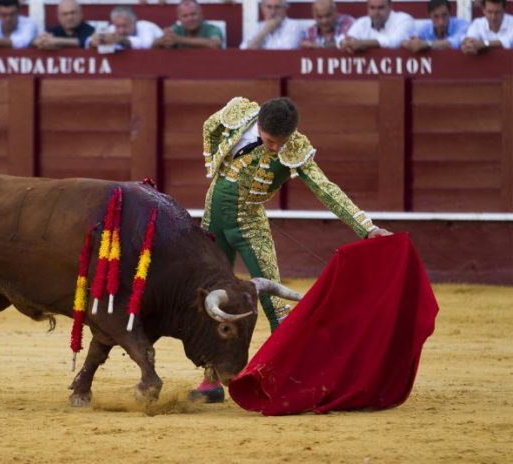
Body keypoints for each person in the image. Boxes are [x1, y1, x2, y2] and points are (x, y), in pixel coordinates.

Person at [190, 96, 391, 403]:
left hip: (249, 226)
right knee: (212, 300)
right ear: (259, 125)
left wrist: (367, 227)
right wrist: (211, 163)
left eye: (280, 143)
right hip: (211, 220)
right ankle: (212, 380)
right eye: (270, 141)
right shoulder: (239, 113)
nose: (275, 148)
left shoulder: (295, 148)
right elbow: (209, 126)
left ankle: (287, 377)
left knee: (275, 305)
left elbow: (325, 188)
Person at [340, 0, 414, 52]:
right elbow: (345, 39)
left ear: (390, 7)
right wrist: (345, 43)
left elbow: (395, 42)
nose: (376, 12)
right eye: (372, 8)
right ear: (367, 8)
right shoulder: (362, 22)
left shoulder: (404, 20)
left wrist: (363, 43)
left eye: (380, 8)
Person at [152, 0, 224, 49]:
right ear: (179, 19)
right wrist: (163, 40)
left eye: (193, 14)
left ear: (201, 14)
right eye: (185, 16)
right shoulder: (177, 29)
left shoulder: (212, 28)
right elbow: (153, 45)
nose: (190, 19)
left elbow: (215, 44)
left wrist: (179, 40)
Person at [401, 0, 469, 52]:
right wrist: (412, 43)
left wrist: (427, 44)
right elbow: (404, 40)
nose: (441, 22)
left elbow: (455, 42)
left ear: (449, 13)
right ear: (430, 16)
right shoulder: (425, 28)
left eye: (444, 15)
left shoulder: (462, 25)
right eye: (436, 17)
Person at [87, 6, 163, 50]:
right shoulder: (112, 29)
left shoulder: (146, 26)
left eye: (125, 26)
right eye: (118, 26)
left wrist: (120, 40)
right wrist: (94, 42)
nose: (121, 30)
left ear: (134, 22)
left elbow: (145, 44)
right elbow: (89, 41)